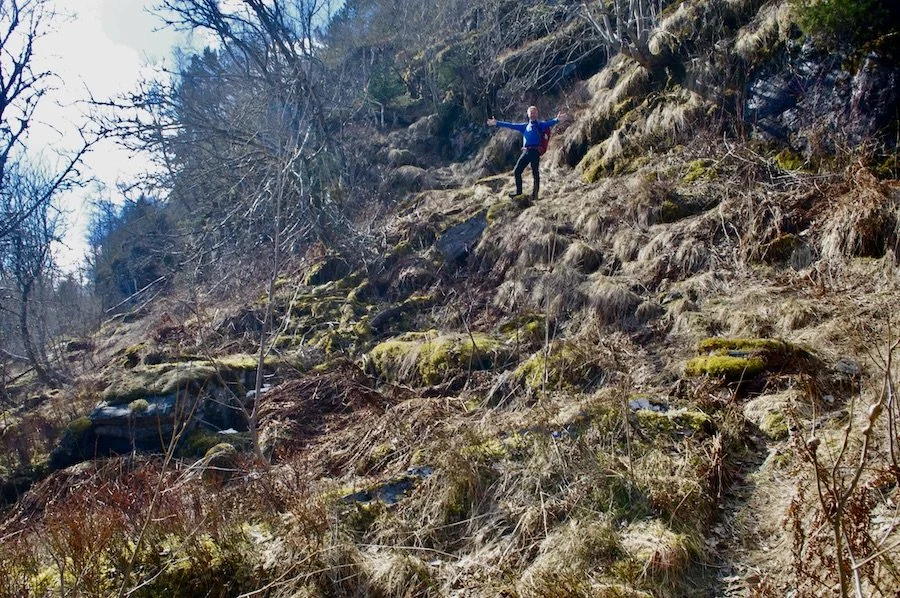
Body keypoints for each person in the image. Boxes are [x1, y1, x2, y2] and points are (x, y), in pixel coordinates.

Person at [487, 106, 566, 204]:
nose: (533, 115)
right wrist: (496, 123)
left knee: (535, 172)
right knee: (517, 171)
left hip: (535, 151)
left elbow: (549, 123)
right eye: (531, 113)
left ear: (537, 114)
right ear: (528, 115)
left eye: (534, 113)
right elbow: (511, 125)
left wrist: (557, 119)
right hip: (526, 151)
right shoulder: (524, 126)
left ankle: (535, 195)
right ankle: (519, 193)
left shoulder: (540, 125)